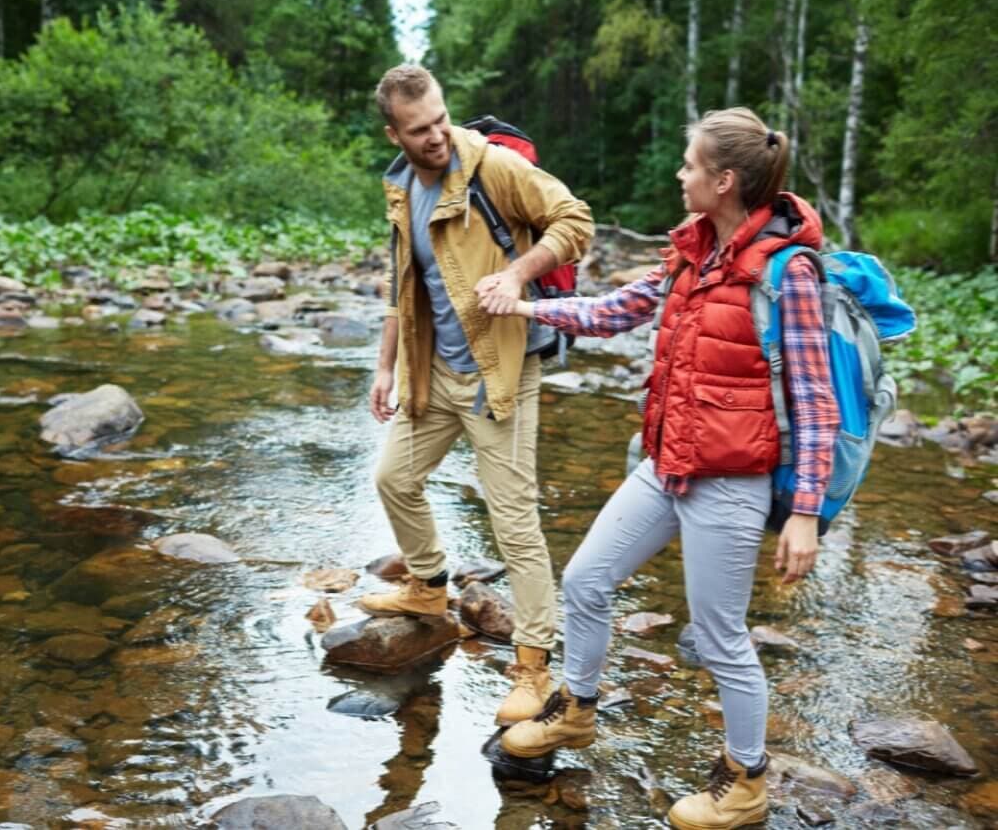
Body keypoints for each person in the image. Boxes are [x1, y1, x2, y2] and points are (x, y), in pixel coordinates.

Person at [485, 107, 839, 830]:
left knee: (719, 638)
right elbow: (618, 310)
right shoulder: (692, 251)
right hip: (666, 465)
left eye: (690, 164)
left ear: (724, 179)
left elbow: (814, 399)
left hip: (731, 481)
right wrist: (527, 308)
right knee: (585, 581)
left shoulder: (789, 272)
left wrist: (805, 512)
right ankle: (576, 709)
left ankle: (746, 783)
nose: (681, 175)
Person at [359, 64, 594, 727]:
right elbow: (402, 283)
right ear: (395, 134)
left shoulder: (493, 168)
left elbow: (575, 220)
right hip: (435, 371)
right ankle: (428, 587)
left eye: (440, 119)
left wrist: (518, 273)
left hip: (500, 372)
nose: (436, 136)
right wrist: (385, 367)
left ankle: (534, 666)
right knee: (393, 477)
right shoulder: (402, 186)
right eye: (419, 130)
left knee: (514, 522)